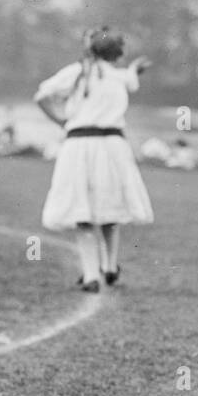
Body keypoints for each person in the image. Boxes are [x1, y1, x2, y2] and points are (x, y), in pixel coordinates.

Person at [34, 26, 153, 292]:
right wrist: (135, 69)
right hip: (112, 145)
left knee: (83, 212)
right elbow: (131, 78)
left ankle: (91, 275)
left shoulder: (76, 72)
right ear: (116, 54)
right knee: (109, 210)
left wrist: (60, 120)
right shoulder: (118, 76)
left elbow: (41, 95)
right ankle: (109, 267)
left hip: (80, 144)